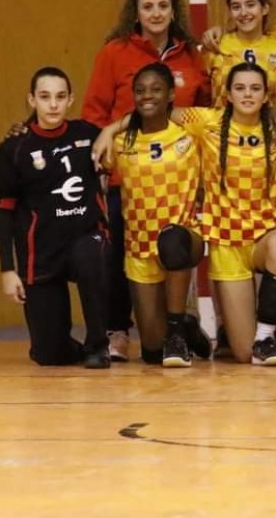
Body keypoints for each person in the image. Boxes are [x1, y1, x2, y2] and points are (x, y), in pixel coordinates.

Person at [94, 63, 276, 366]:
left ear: (266, 95)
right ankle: (192, 330)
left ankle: (268, 335)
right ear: (228, 95)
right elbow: (155, 111)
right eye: (240, 88)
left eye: (255, 88)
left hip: (261, 235)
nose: (248, 94)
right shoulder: (206, 122)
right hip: (219, 241)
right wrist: (110, 128)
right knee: (163, 351)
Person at [82, 0, 211, 362]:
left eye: (162, 6)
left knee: (175, 248)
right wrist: (104, 150)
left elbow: (201, 113)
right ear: (135, 14)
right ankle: (119, 329)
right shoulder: (115, 53)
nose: (155, 13)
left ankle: (178, 323)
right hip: (130, 179)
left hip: (181, 186)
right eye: (147, 7)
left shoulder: (192, 56)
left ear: (174, 11)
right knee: (118, 255)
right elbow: (93, 113)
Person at [0, 67, 111, 369]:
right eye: (45, 97)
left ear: (71, 99)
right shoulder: (14, 148)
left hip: (85, 235)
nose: (53, 105)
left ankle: (99, 344)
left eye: (60, 97)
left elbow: (128, 130)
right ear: (32, 100)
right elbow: (4, 211)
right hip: (41, 251)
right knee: (49, 356)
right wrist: (8, 269)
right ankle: (62, 344)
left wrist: (110, 131)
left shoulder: (88, 135)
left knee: (90, 255)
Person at [110, 64, 205, 367]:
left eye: (155, 89)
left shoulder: (191, 133)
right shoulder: (119, 142)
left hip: (183, 238)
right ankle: (186, 327)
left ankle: (177, 330)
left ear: (170, 96)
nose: (147, 96)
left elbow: (230, 121)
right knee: (152, 351)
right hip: (140, 247)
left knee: (173, 238)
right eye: (140, 90)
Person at [206, 0, 276, 107]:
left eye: (250, 5)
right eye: (236, 7)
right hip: (222, 125)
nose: (243, 13)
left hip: (264, 126)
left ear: (265, 8)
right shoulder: (216, 45)